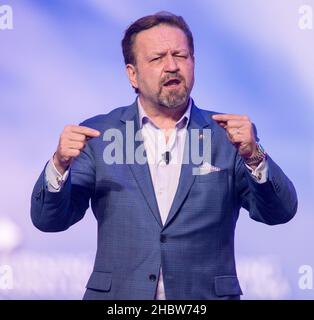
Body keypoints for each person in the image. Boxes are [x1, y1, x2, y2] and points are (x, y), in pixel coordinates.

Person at [31, 12, 297, 300]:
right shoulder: (98, 135)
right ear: (132, 74)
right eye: (157, 58)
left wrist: (254, 156)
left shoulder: (228, 136)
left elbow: (279, 213)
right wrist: (59, 165)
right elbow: (49, 220)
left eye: (180, 55)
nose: (172, 66)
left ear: (193, 63)